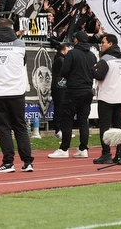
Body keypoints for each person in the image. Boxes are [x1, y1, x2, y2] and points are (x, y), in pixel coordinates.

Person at [0, 18, 33, 173]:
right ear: (12, 29)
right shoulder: (20, 44)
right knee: (20, 127)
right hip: (17, 91)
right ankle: (28, 162)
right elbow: (23, 62)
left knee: (3, 129)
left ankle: (8, 163)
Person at [48, 30, 95, 159]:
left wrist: (72, 76)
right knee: (83, 121)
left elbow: (63, 71)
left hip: (74, 90)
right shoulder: (92, 55)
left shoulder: (72, 54)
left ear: (76, 40)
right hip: (87, 90)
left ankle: (64, 148)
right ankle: (83, 148)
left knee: (67, 119)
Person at [92, 34, 121, 165]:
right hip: (120, 96)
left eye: (103, 42)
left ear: (110, 44)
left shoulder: (105, 59)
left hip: (106, 96)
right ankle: (120, 154)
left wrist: (93, 69)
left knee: (105, 127)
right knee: (118, 127)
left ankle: (106, 153)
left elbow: (99, 76)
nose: (101, 45)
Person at [51, 42, 69, 139]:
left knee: (63, 108)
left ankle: (62, 129)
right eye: (67, 50)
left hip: (61, 86)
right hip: (59, 87)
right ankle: (58, 129)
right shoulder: (60, 60)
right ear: (63, 50)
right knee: (59, 108)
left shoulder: (60, 59)